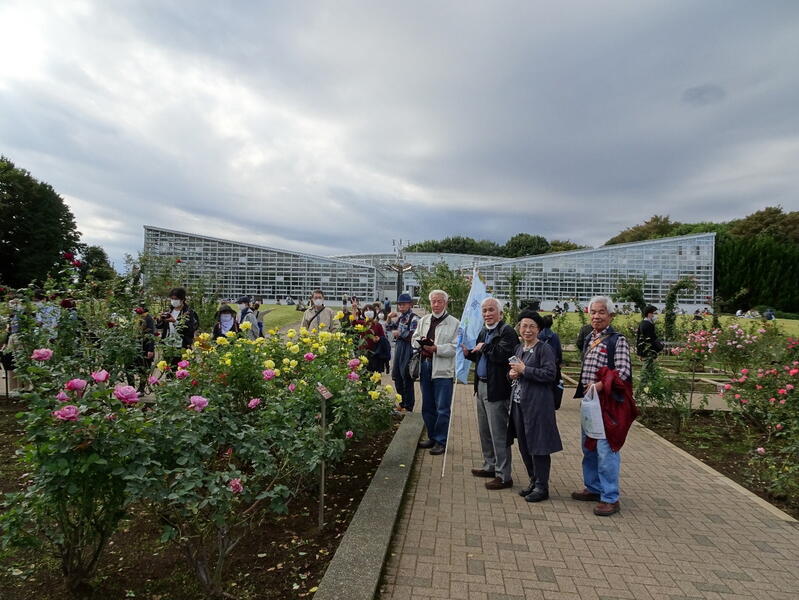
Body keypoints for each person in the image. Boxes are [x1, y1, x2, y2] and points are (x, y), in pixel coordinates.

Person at [571, 296, 635, 517]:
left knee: (606, 450)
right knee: (588, 446)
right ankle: (593, 487)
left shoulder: (617, 340)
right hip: (590, 402)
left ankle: (610, 497)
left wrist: (600, 385)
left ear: (610, 316)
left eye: (601, 312)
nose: (596, 316)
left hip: (607, 404)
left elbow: (623, 372)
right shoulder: (589, 337)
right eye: (593, 312)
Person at [462, 298, 518, 490]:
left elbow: (504, 355)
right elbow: (481, 355)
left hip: (497, 389)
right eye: (484, 310)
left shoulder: (506, 331)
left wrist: (484, 347)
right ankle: (490, 465)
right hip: (482, 386)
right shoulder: (484, 331)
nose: (487, 314)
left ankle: (504, 476)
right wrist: (469, 353)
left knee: (499, 433)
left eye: (491, 310)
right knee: (485, 431)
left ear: (500, 313)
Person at [508, 310, 562, 502]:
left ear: (538, 329)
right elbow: (516, 371)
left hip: (538, 405)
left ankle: (542, 486)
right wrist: (512, 374)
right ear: (519, 328)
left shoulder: (544, 349)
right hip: (519, 404)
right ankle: (533, 480)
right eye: (524, 326)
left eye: (532, 326)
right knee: (524, 445)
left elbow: (550, 374)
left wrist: (525, 370)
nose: (527, 330)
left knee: (539, 445)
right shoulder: (519, 348)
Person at [412, 290, 460, 455]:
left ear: (446, 303)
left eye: (440, 301)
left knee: (442, 408)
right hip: (425, 366)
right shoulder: (424, 320)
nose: (436, 304)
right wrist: (420, 343)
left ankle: (440, 441)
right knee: (427, 405)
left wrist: (436, 348)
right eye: (433, 301)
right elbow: (414, 338)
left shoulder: (454, 323)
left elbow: (455, 347)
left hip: (443, 370)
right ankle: (432, 437)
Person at [387, 293, 418, 413]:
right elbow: (390, 328)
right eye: (399, 304)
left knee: (406, 377)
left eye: (403, 304)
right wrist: (389, 318)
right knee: (397, 376)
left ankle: (408, 406)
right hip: (399, 347)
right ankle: (402, 402)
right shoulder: (401, 318)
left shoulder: (414, 318)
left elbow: (414, 335)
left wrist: (400, 334)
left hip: (408, 349)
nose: (401, 306)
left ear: (410, 304)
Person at [156, 287, 199, 367]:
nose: (173, 301)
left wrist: (175, 322)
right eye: (172, 298)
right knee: (168, 369)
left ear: (182, 299)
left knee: (181, 369)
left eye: (175, 299)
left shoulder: (189, 312)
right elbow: (159, 326)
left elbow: (191, 329)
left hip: (181, 345)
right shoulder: (169, 310)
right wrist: (160, 319)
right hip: (168, 345)